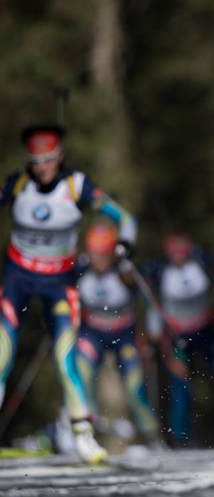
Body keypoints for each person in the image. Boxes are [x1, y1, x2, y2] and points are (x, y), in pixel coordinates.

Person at [0, 125, 137, 463]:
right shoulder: (18, 184)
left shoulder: (77, 186)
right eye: (36, 160)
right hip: (17, 276)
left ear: (59, 156)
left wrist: (125, 244)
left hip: (60, 281)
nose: (42, 167)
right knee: (1, 353)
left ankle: (82, 436)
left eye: (48, 159)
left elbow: (125, 218)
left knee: (65, 358)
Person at [145, 232, 214, 446]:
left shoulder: (200, 261)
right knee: (181, 385)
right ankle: (179, 438)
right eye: (174, 255)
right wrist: (155, 338)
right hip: (177, 337)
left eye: (182, 254)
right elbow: (151, 301)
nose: (179, 258)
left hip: (206, 332)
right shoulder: (160, 271)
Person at [75, 221, 159, 444]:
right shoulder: (82, 268)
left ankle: (151, 434)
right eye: (94, 254)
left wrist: (152, 331)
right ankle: (89, 430)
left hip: (125, 335)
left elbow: (148, 298)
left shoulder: (125, 272)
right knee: (81, 372)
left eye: (103, 255)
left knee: (133, 387)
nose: (98, 261)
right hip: (93, 332)